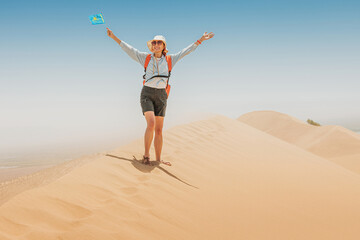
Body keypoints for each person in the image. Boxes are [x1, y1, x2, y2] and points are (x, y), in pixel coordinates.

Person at [107, 28, 214, 166]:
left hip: (162, 95)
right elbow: (129, 49)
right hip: (147, 93)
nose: (156, 44)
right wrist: (113, 37)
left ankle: (158, 159)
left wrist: (200, 40)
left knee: (159, 130)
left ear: (164, 46)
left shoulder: (170, 59)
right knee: (151, 123)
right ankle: (146, 155)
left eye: (159, 42)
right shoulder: (145, 57)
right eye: (154, 42)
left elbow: (186, 52)